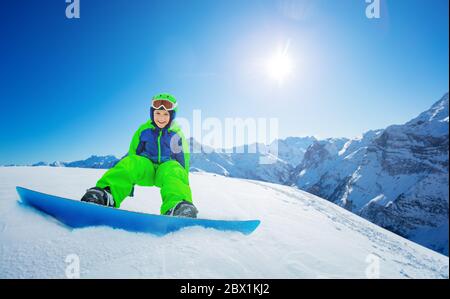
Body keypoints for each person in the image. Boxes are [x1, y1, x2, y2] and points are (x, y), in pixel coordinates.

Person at [80, 93, 198, 218]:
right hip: (146, 168)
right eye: (157, 113)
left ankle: (178, 205)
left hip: (165, 170)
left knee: (174, 168)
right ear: (152, 114)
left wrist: (183, 183)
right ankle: (107, 194)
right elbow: (133, 154)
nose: (161, 118)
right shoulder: (143, 130)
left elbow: (182, 162)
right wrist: (130, 183)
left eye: (165, 114)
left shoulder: (177, 135)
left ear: (172, 116)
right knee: (131, 162)